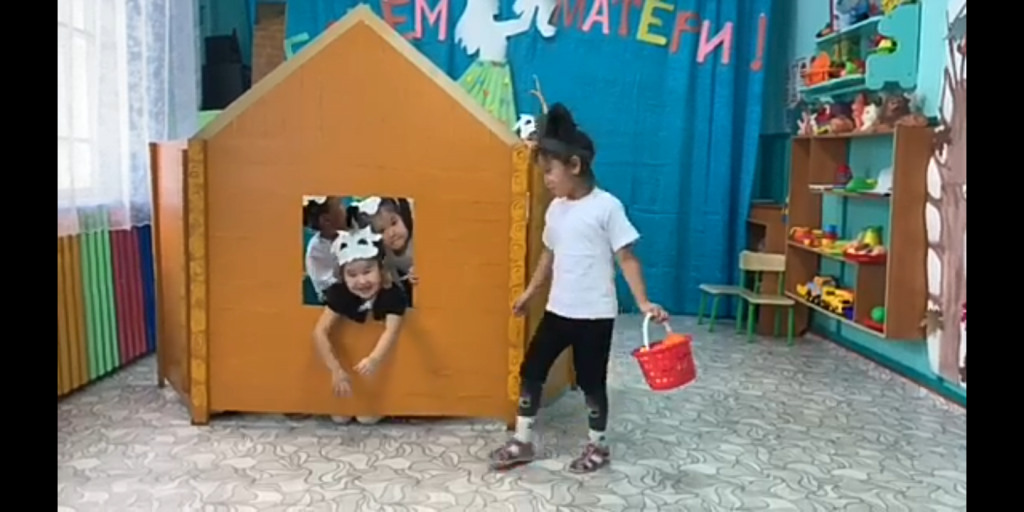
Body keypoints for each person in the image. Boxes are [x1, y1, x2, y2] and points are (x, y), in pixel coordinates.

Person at [489, 103, 669, 473]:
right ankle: (523, 441)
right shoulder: (556, 209)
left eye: (549, 171)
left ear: (574, 165)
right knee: (531, 370)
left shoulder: (607, 207)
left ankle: (598, 447)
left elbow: (627, 258)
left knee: (591, 383)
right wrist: (529, 294)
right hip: (558, 311)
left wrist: (643, 301)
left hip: (594, 316)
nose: (546, 179)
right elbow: (548, 256)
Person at [311, 226, 408, 425]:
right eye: (352, 274)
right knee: (340, 416)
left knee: (367, 418)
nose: (362, 281)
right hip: (347, 368)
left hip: (379, 375)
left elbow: (391, 330)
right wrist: (335, 369)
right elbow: (320, 331)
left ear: (381, 269)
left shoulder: (392, 295)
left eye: (368, 271)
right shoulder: (340, 294)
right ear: (343, 277)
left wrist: (374, 359)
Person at [350, 197, 417, 302]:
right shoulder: (386, 256)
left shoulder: (419, 235)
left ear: (403, 216)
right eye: (381, 231)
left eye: (394, 223)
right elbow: (398, 287)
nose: (391, 233)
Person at [303, 197, 349, 300]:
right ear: (326, 220)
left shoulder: (346, 236)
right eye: (339, 206)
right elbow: (326, 286)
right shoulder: (315, 250)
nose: (344, 209)